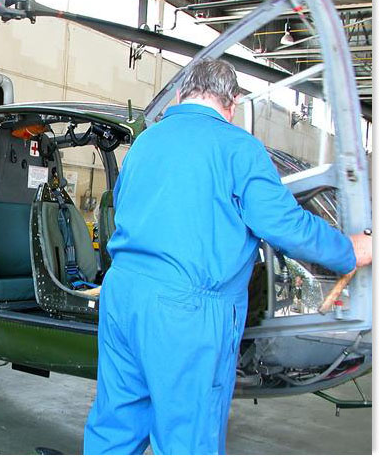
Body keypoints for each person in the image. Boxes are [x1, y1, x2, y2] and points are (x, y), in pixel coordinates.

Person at [83, 58, 373, 455]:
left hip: (122, 297)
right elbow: (285, 225)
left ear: (182, 93)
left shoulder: (145, 144)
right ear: (232, 103)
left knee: (116, 423)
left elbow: (122, 206)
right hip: (188, 312)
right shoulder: (240, 148)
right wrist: (348, 250)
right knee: (188, 439)